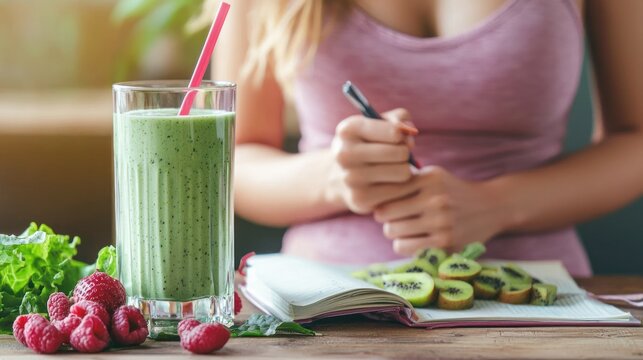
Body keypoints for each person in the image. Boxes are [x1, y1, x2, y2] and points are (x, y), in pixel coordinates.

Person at [213, 0, 643, 277]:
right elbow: (235, 159)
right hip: (326, 311)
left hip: (536, 306)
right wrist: (333, 177)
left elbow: (634, 139)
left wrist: (495, 206)